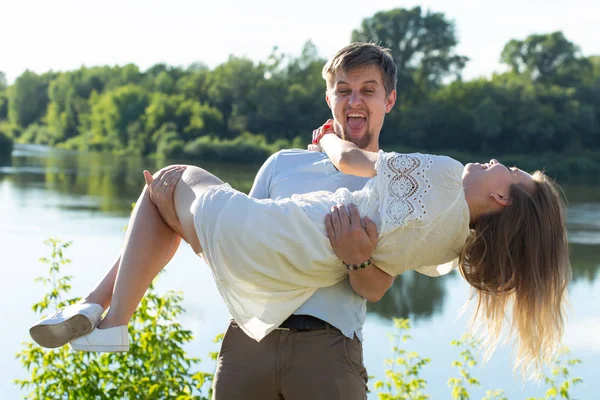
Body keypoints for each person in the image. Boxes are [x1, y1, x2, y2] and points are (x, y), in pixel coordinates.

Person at [30, 43, 570, 393]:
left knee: (165, 185)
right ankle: (104, 312)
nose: (354, 101)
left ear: (389, 101)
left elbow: (376, 285)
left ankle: (106, 312)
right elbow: (232, 239)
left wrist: (357, 258)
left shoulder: (418, 181)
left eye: (367, 91)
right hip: (251, 340)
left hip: (327, 351)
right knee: (168, 201)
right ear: (330, 97)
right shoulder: (291, 167)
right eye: (343, 90)